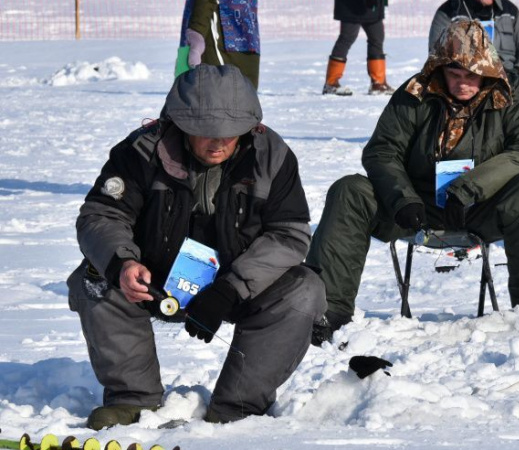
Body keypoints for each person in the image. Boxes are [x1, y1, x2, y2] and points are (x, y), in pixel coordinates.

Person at [68, 65, 326, 429]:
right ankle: (132, 398)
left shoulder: (272, 155)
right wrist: (123, 264)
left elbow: (289, 235)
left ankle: (238, 407)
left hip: (238, 285)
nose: (218, 143)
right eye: (206, 132)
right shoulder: (140, 152)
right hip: (154, 281)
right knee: (94, 277)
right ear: (181, 124)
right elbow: (101, 216)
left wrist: (231, 288)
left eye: (230, 133)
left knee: (304, 289)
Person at [308, 19, 519, 345]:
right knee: (349, 190)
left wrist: (470, 188)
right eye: (455, 75)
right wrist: (402, 198)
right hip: (418, 205)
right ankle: (329, 312)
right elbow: (382, 151)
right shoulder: (415, 92)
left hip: (484, 203)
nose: (463, 84)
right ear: (440, 68)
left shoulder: (512, 91)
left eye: (472, 76)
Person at [429, 0, 519, 81]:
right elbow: (437, 55)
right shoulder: (448, 13)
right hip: (468, 86)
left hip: (509, 83)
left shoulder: (510, 12)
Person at [179, 0, 261, 89]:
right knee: (245, 93)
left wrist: (196, 32)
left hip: (218, 40)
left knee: (193, 90)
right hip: (248, 39)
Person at [323, 0, 394, 96]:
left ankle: (378, 84)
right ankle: (331, 83)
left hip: (372, 7)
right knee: (347, 38)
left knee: (376, 38)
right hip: (351, 6)